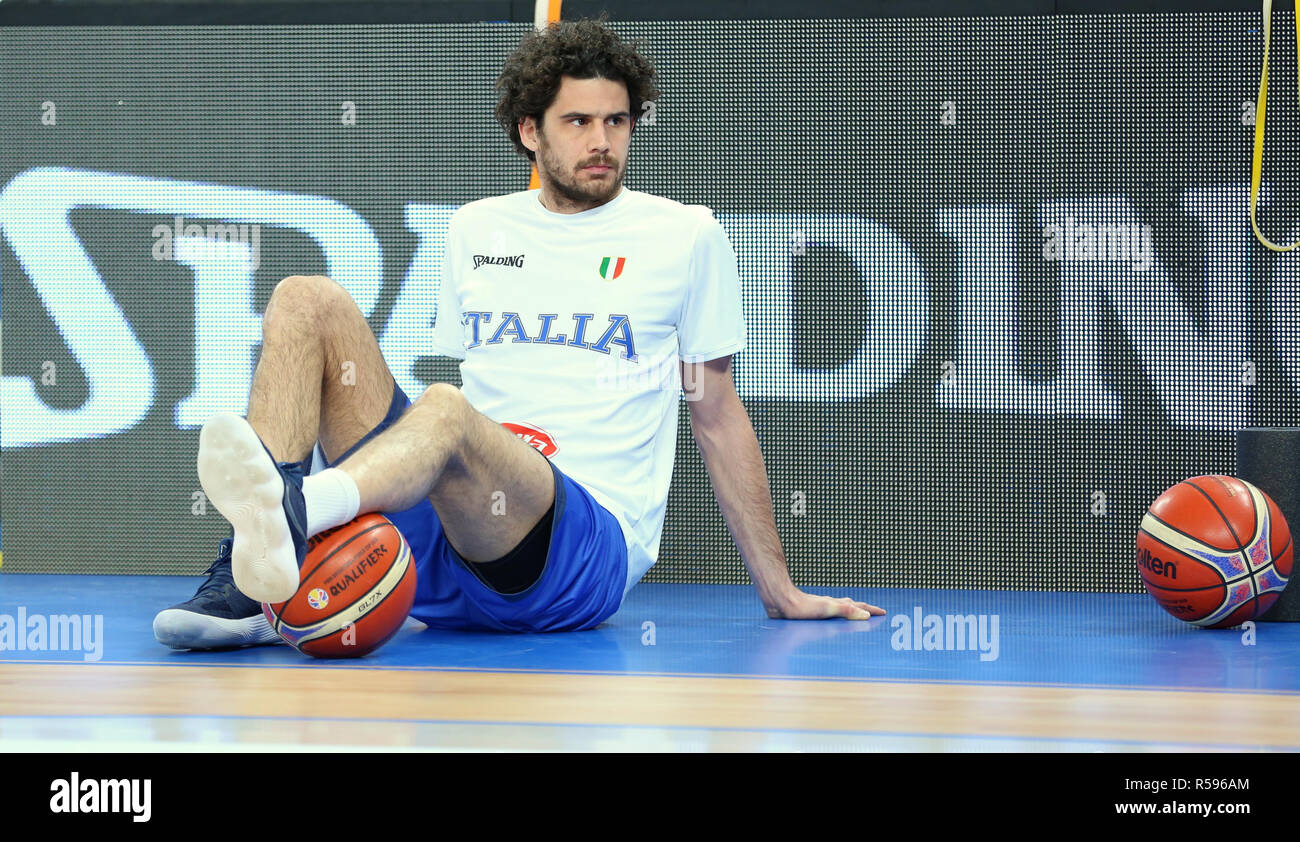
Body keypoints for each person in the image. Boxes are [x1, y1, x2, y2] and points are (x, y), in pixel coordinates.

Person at [153, 17, 884, 649]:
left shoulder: (686, 235)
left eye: (617, 121)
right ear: (529, 132)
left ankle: (288, 517)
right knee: (305, 297)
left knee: (445, 409)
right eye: (578, 122)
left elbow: (716, 414)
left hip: (575, 558)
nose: (602, 141)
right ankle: (251, 582)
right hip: (450, 537)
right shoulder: (477, 227)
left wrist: (779, 588)